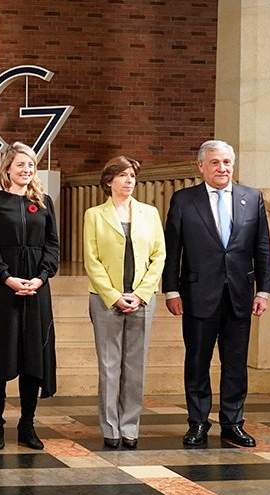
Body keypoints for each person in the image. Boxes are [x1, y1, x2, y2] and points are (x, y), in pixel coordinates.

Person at [163, 139, 270, 448]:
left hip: (240, 294)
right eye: (215, 162)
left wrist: (264, 291)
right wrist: (171, 289)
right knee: (197, 362)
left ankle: (232, 423)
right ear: (201, 166)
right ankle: (198, 423)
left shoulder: (252, 198)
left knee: (235, 364)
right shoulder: (184, 200)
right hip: (197, 293)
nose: (222, 168)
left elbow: (262, 247)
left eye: (226, 162)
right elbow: (173, 249)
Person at [0, 141, 59, 451]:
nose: (26, 170)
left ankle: (27, 424)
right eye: (21, 164)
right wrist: (8, 278)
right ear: (8, 168)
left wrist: (40, 278)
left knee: (32, 357)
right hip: (2, 289)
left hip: (37, 289)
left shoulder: (44, 202)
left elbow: (52, 245)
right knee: (0, 354)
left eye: (31, 165)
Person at [83, 156, 166, 450]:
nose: (129, 180)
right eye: (122, 175)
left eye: (132, 175)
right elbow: (92, 260)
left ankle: (130, 426)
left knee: (135, 366)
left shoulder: (150, 213)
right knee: (109, 366)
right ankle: (110, 427)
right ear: (109, 181)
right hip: (106, 299)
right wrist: (114, 295)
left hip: (142, 299)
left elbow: (159, 256)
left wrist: (141, 294)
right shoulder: (95, 215)